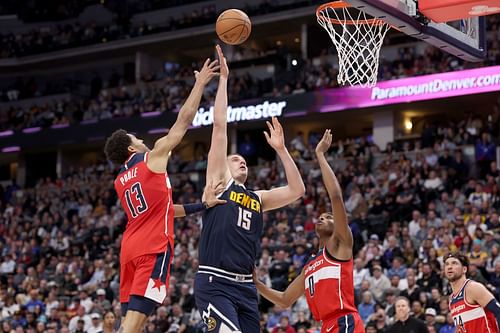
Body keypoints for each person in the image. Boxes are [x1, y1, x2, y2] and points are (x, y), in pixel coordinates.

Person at [104, 54, 223, 333]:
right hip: (152, 248)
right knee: (132, 327)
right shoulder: (151, 159)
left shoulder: (120, 180)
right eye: (137, 139)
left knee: (130, 324)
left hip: (129, 250)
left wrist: (203, 205)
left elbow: (165, 209)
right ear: (132, 149)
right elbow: (183, 122)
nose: (143, 141)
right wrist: (200, 84)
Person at [194, 45, 305, 333]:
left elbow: (297, 190)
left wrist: (281, 150)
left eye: (244, 160)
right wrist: (224, 81)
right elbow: (219, 126)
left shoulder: (257, 197)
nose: (241, 161)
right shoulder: (219, 183)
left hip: (245, 286)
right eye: (235, 159)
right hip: (215, 282)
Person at [253, 130, 364, 333]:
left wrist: (320, 155)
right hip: (325, 326)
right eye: (321, 216)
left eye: (329, 217)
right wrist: (257, 283)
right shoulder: (310, 265)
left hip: (344, 321)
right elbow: (285, 300)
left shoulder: (340, 242)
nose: (323, 217)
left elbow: (336, 197)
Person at [444, 251, 500, 333]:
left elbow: (498, 311)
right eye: (447, 264)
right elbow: (460, 328)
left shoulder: (472, 288)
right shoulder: (451, 299)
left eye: (454, 263)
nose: (449, 267)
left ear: (464, 269)